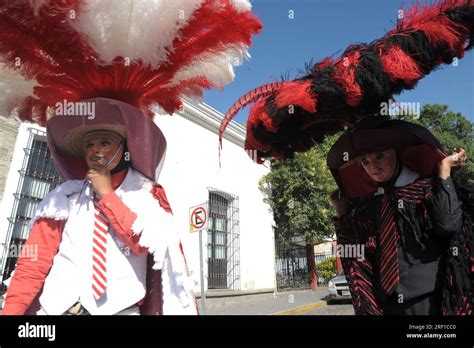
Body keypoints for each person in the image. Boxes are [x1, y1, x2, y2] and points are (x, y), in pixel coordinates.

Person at [2, 98, 196, 315]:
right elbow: (33, 260)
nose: (96, 150)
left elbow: (143, 244)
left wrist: (107, 196)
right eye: (89, 144)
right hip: (56, 310)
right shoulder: (63, 197)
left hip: (121, 310)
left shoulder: (147, 194)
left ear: (125, 149)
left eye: (105, 143)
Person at [327, 117, 473, 315]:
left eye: (379, 156)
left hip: (430, 302)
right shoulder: (370, 206)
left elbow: (448, 225)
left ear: (397, 152)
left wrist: (444, 170)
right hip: (387, 305)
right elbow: (356, 254)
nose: (373, 166)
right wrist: (342, 212)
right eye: (365, 161)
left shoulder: (427, 189)